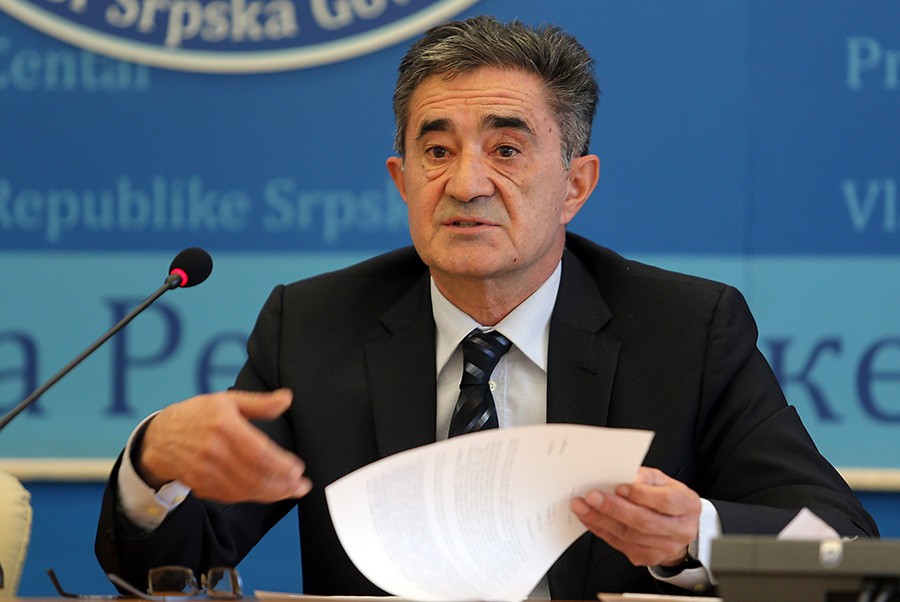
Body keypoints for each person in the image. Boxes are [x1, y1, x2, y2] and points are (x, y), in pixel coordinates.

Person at [95, 15, 878, 599]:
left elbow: (842, 550)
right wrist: (153, 461)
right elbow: (168, 568)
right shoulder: (315, 328)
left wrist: (694, 536)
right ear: (403, 180)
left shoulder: (685, 331)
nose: (467, 183)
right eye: (437, 151)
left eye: (506, 149)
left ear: (575, 185)